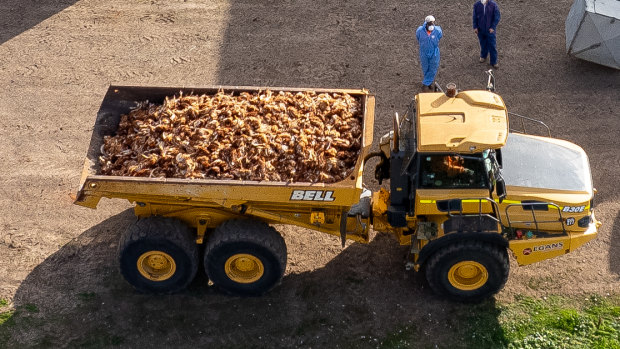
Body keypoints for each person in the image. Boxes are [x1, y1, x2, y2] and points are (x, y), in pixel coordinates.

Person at [415, 15, 443, 91]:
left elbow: (440, 37)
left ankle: (426, 84)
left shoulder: (438, 30)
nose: (431, 25)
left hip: (434, 52)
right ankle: (429, 82)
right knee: (425, 68)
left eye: (432, 23)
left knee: (433, 68)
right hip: (424, 52)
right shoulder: (420, 30)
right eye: (429, 23)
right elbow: (418, 37)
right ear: (426, 23)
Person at [473, 0, 501, 68]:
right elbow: (474, 17)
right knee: (483, 43)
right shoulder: (477, 5)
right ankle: (483, 56)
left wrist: (493, 27)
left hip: (490, 30)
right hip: (480, 30)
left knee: (492, 45)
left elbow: (497, 17)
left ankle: (494, 61)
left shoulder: (493, 5)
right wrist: (475, 27)